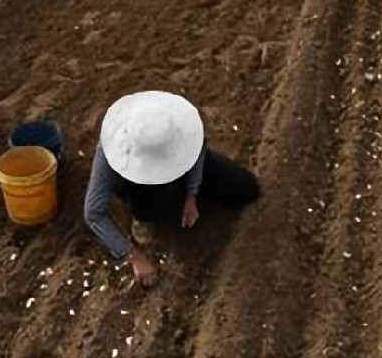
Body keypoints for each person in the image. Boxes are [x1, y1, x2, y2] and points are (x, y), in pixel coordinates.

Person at [84, 91, 260, 287]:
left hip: (179, 162)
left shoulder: (177, 124)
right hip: (138, 183)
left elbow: (197, 150)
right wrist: (133, 256)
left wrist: (192, 195)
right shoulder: (112, 147)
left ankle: (173, 184)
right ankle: (143, 215)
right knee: (143, 195)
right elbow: (93, 212)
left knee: (246, 188)